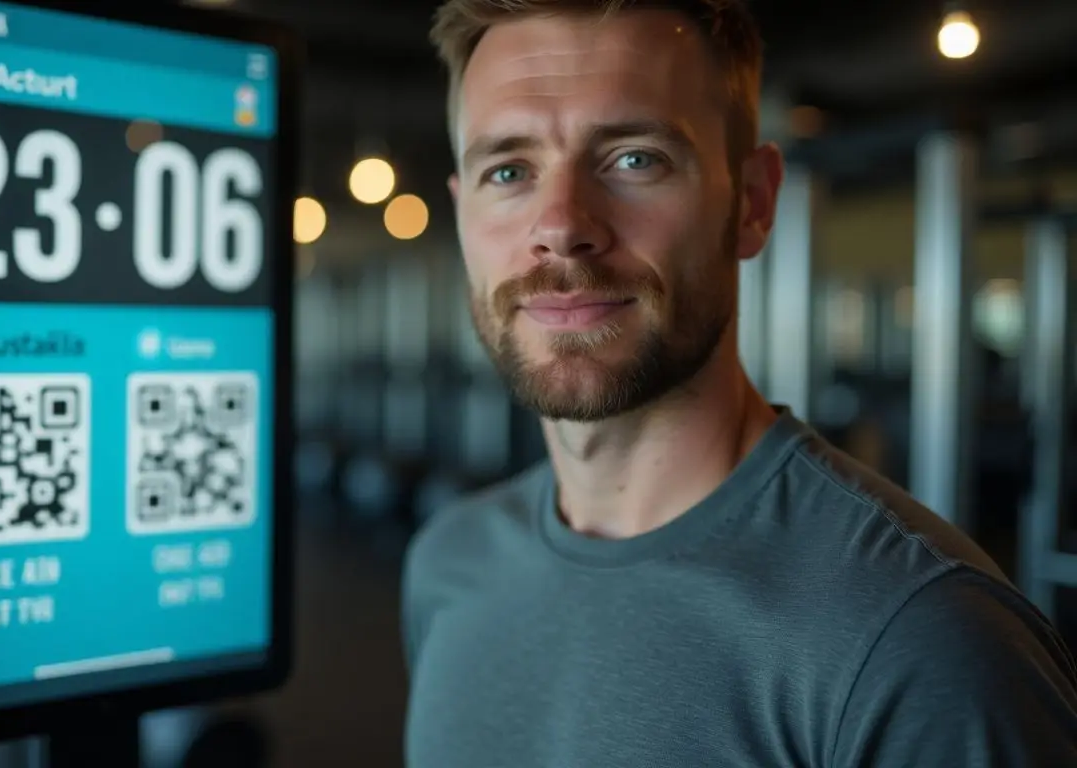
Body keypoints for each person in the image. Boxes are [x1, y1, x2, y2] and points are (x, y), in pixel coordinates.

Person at [400, 1, 1077, 765]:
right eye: (510, 170)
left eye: (633, 158)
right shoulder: (448, 564)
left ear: (753, 201)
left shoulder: (922, 640)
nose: (559, 224)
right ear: (462, 215)